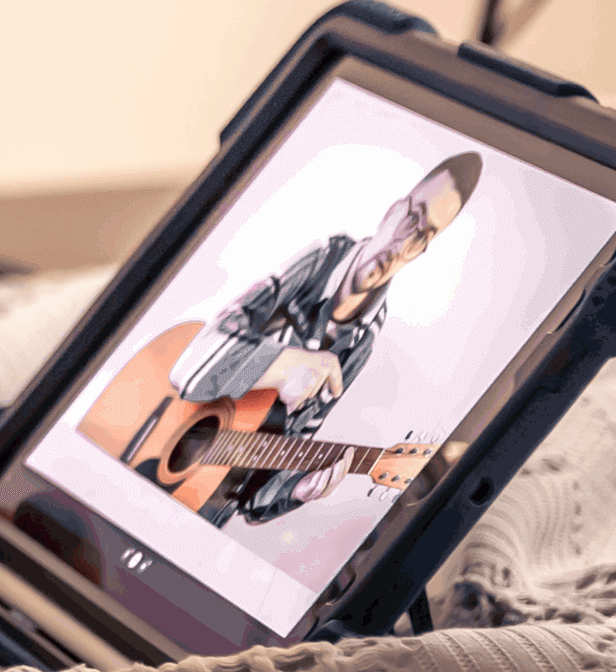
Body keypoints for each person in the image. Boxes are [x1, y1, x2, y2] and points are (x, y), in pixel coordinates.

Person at [147, 154, 480, 526]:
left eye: (423, 236)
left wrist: (294, 491)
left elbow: (251, 499)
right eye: (412, 216)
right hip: (138, 432)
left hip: (191, 513)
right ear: (392, 210)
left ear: (421, 252)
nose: (403, 241)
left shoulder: (360, 344)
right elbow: (190, 370)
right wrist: (286, 364)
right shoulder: (319, 259)